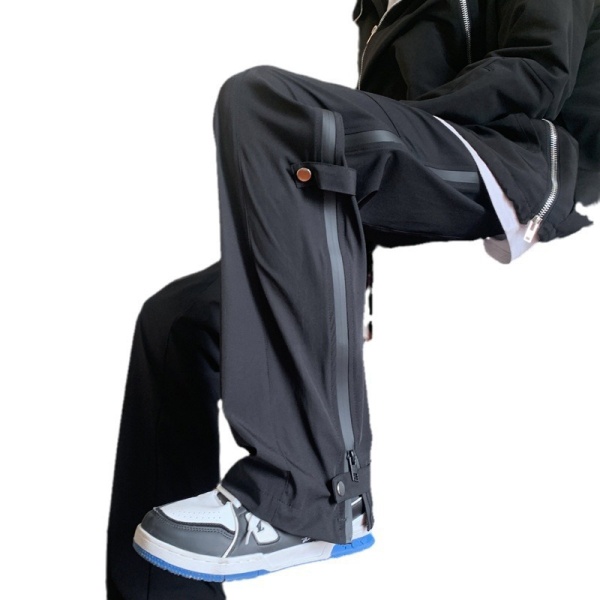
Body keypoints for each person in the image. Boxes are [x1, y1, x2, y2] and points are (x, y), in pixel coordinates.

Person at [106, 0, 600, 597]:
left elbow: (538, 70)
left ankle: (311, 496)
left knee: (265, 103)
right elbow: (363, 139)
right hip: (421, 151)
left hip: (522, 153)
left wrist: (403, 126)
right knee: (175, 321)